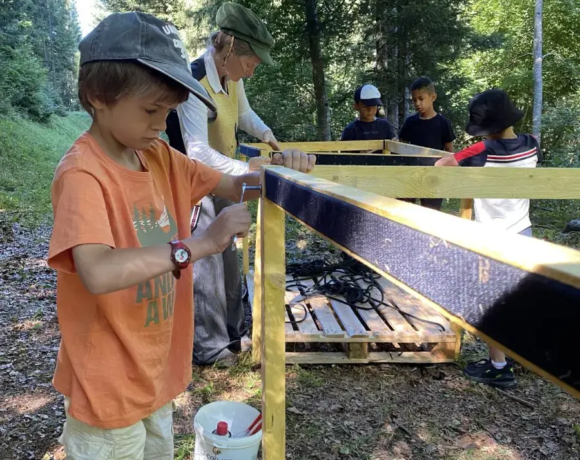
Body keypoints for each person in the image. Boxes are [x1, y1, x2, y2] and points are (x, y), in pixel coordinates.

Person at [48, 12, 315, 458]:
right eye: (151, 110)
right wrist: (197, 245)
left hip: (153, 371)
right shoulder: (83, 174)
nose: (161, 123)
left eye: (168, 111)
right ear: (98, 96)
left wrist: (275, 170)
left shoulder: (158, 156)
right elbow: (95, 270)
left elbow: (233, 185)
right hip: (106, 383)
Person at [165, 2, 280, 366]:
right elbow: (197, 152)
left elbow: (242, 114)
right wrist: (250, 166)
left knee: (228, 259)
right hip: (196, 188)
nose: (253, 70)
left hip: (229, 180)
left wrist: (269, 136)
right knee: (207, 267)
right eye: (252, 62)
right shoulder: (194, 81)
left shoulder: (232, 78)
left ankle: (233, 335)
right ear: (230, 49)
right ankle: (210, 348)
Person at [436, 89, 542, 388]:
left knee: (492, 302)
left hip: (492, 238)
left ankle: (499, 367)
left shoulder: (481, 151)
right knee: (519, 300)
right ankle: (525, 357)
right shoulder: (532, 145)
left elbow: (441, 167)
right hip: (523, 232)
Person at [399, 77, 456, 210]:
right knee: (405, 211)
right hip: (410, 176)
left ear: (433, 97)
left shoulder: (442, 123)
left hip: (433, 177)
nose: (417, 103)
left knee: (431, 213)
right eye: (414, 100)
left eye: (421, 98)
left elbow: (449, 153)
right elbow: (402, 148)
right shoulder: (410, 122)